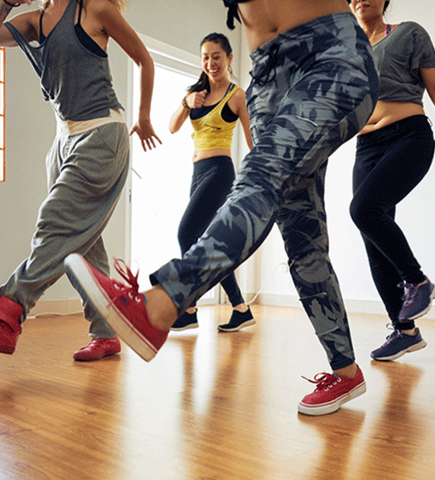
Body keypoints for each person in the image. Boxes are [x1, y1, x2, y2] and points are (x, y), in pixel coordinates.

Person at [65, 0, 378, 415]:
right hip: (268, 77)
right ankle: (345, 369)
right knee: (302, 235)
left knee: (261, 171)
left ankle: (162, 303)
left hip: (327, 53)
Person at [0, 0, 160, 361]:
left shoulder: (94, 9)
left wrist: (142, 115)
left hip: (101, 134)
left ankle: (8, 316)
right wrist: (5, 3)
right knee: (82, 246)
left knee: (55, 224)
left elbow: (144, 59)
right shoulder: (35, 20)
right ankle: (106, 334)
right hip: (64, 139)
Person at [348, 0, 435, 361]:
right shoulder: (349, 51)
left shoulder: (408, 33)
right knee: (372, 236)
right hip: (365, 147)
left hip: (408, 137)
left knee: (363, 209)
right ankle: (404, 331)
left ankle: (417, 281)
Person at [167, 32, 256, 334]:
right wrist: (185, 101)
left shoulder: (237, 95)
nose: (210, 62)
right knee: (211, 244)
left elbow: (252, 138)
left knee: (186, 233)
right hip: (198, 173)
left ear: (229, 58)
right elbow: (172, 126)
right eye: (205, 57)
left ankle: (189, 307)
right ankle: (241, 308)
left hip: (220, 172)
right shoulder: (197, 93)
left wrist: (260, 178)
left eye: (216, 56)